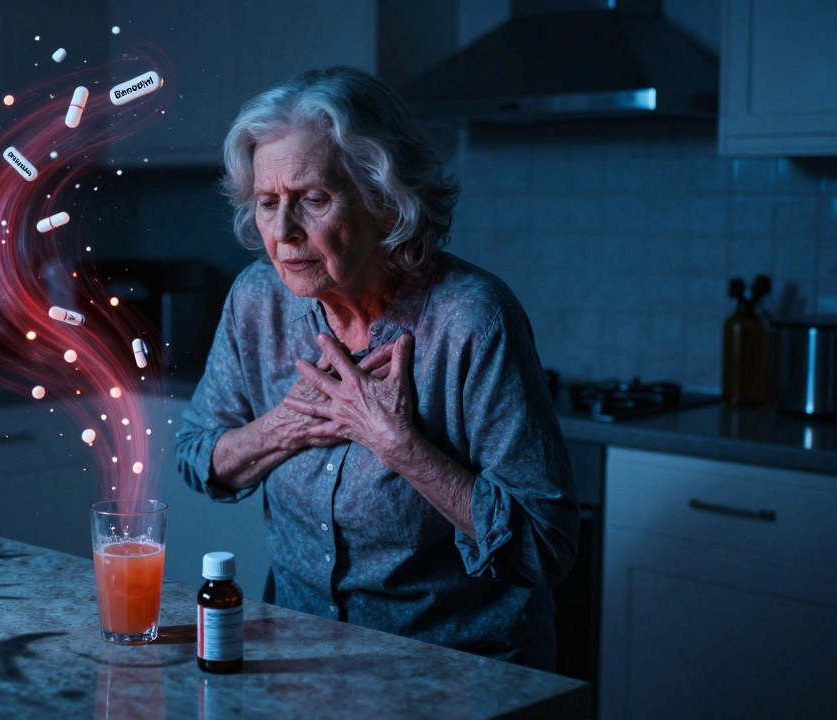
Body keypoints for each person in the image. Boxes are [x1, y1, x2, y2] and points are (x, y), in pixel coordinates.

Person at [175, 66, 578, 671]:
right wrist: (284, 428)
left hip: (454, 673)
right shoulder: (257, 300)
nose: (283, 233)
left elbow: (546, 547)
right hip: (300, 661)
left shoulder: (471, 317)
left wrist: (398, 445)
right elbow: (195, 457)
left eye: (313, 200)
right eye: (267, 204)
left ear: (386, 204)